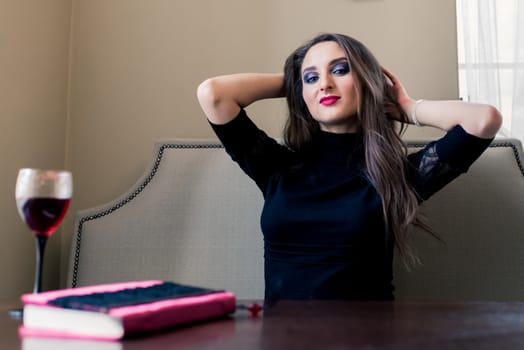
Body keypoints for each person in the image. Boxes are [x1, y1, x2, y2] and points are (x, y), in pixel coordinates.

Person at [196, 33, 502, 302]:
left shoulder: (396, 175)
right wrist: (295, 80)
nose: (325, 84)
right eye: (312, 78)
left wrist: (407, 108)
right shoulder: (276, 166)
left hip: (367, 340)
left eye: (340, 70)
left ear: (367, 82)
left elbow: (483, 121)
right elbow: (214, 94)